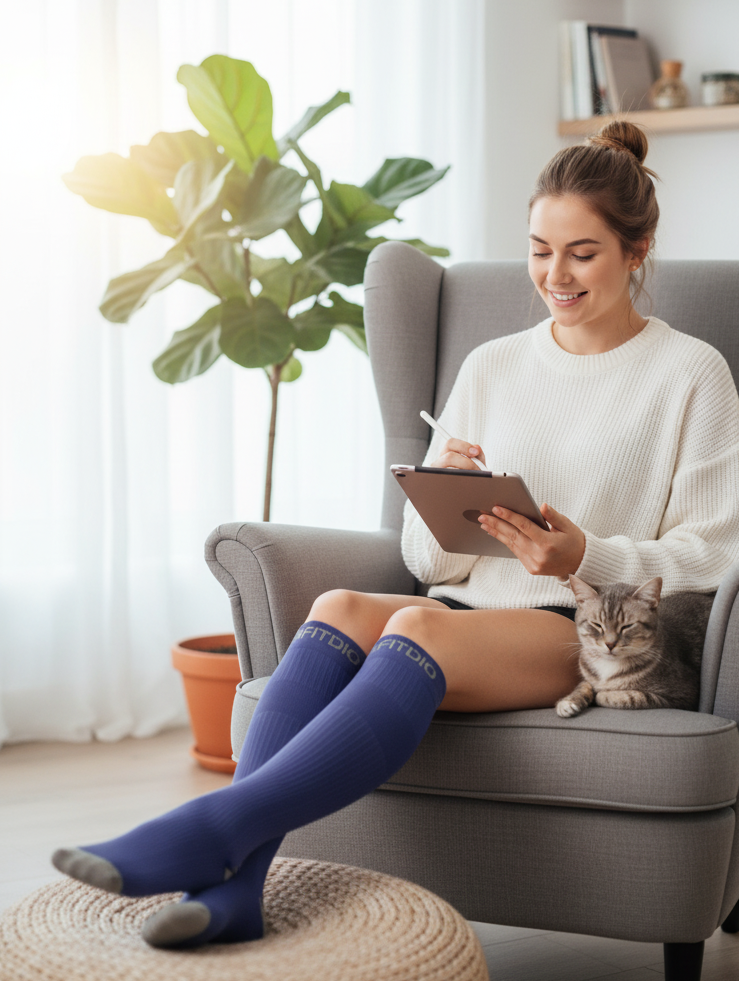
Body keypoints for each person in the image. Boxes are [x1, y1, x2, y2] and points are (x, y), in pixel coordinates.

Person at [52, 120, 739, 949]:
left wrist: (583, 555)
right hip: (461, 607)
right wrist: (441, 495)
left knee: (414, 623)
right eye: (538, 249)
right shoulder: (491, 363)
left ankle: (206, 826)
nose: (553, 275)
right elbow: (424, 561)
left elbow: (715, 551)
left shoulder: (689, 372)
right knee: (344, 603)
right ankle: (238, 891)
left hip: (580, 630)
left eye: (581, 253)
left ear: (637, 249)